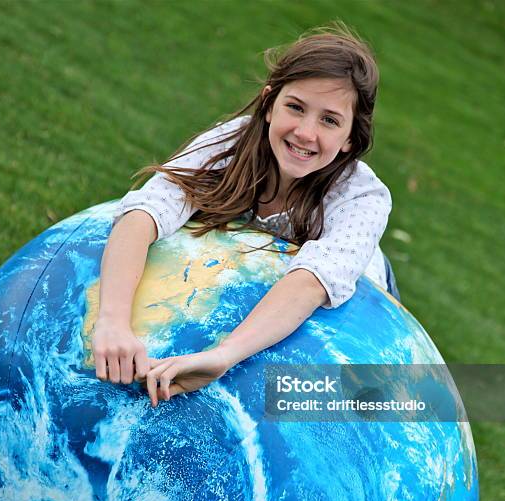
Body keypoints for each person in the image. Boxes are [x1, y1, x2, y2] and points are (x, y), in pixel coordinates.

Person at [92, 22, 399, 408]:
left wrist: (222, 356)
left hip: (349, 307)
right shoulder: (231, 144)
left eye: (330, 120)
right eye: (296, 107)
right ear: (269, 103)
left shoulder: (362, 197)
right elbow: (144, 211)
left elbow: (312, 281)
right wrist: (113, 321)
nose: (305, 132)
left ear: (351, 138)